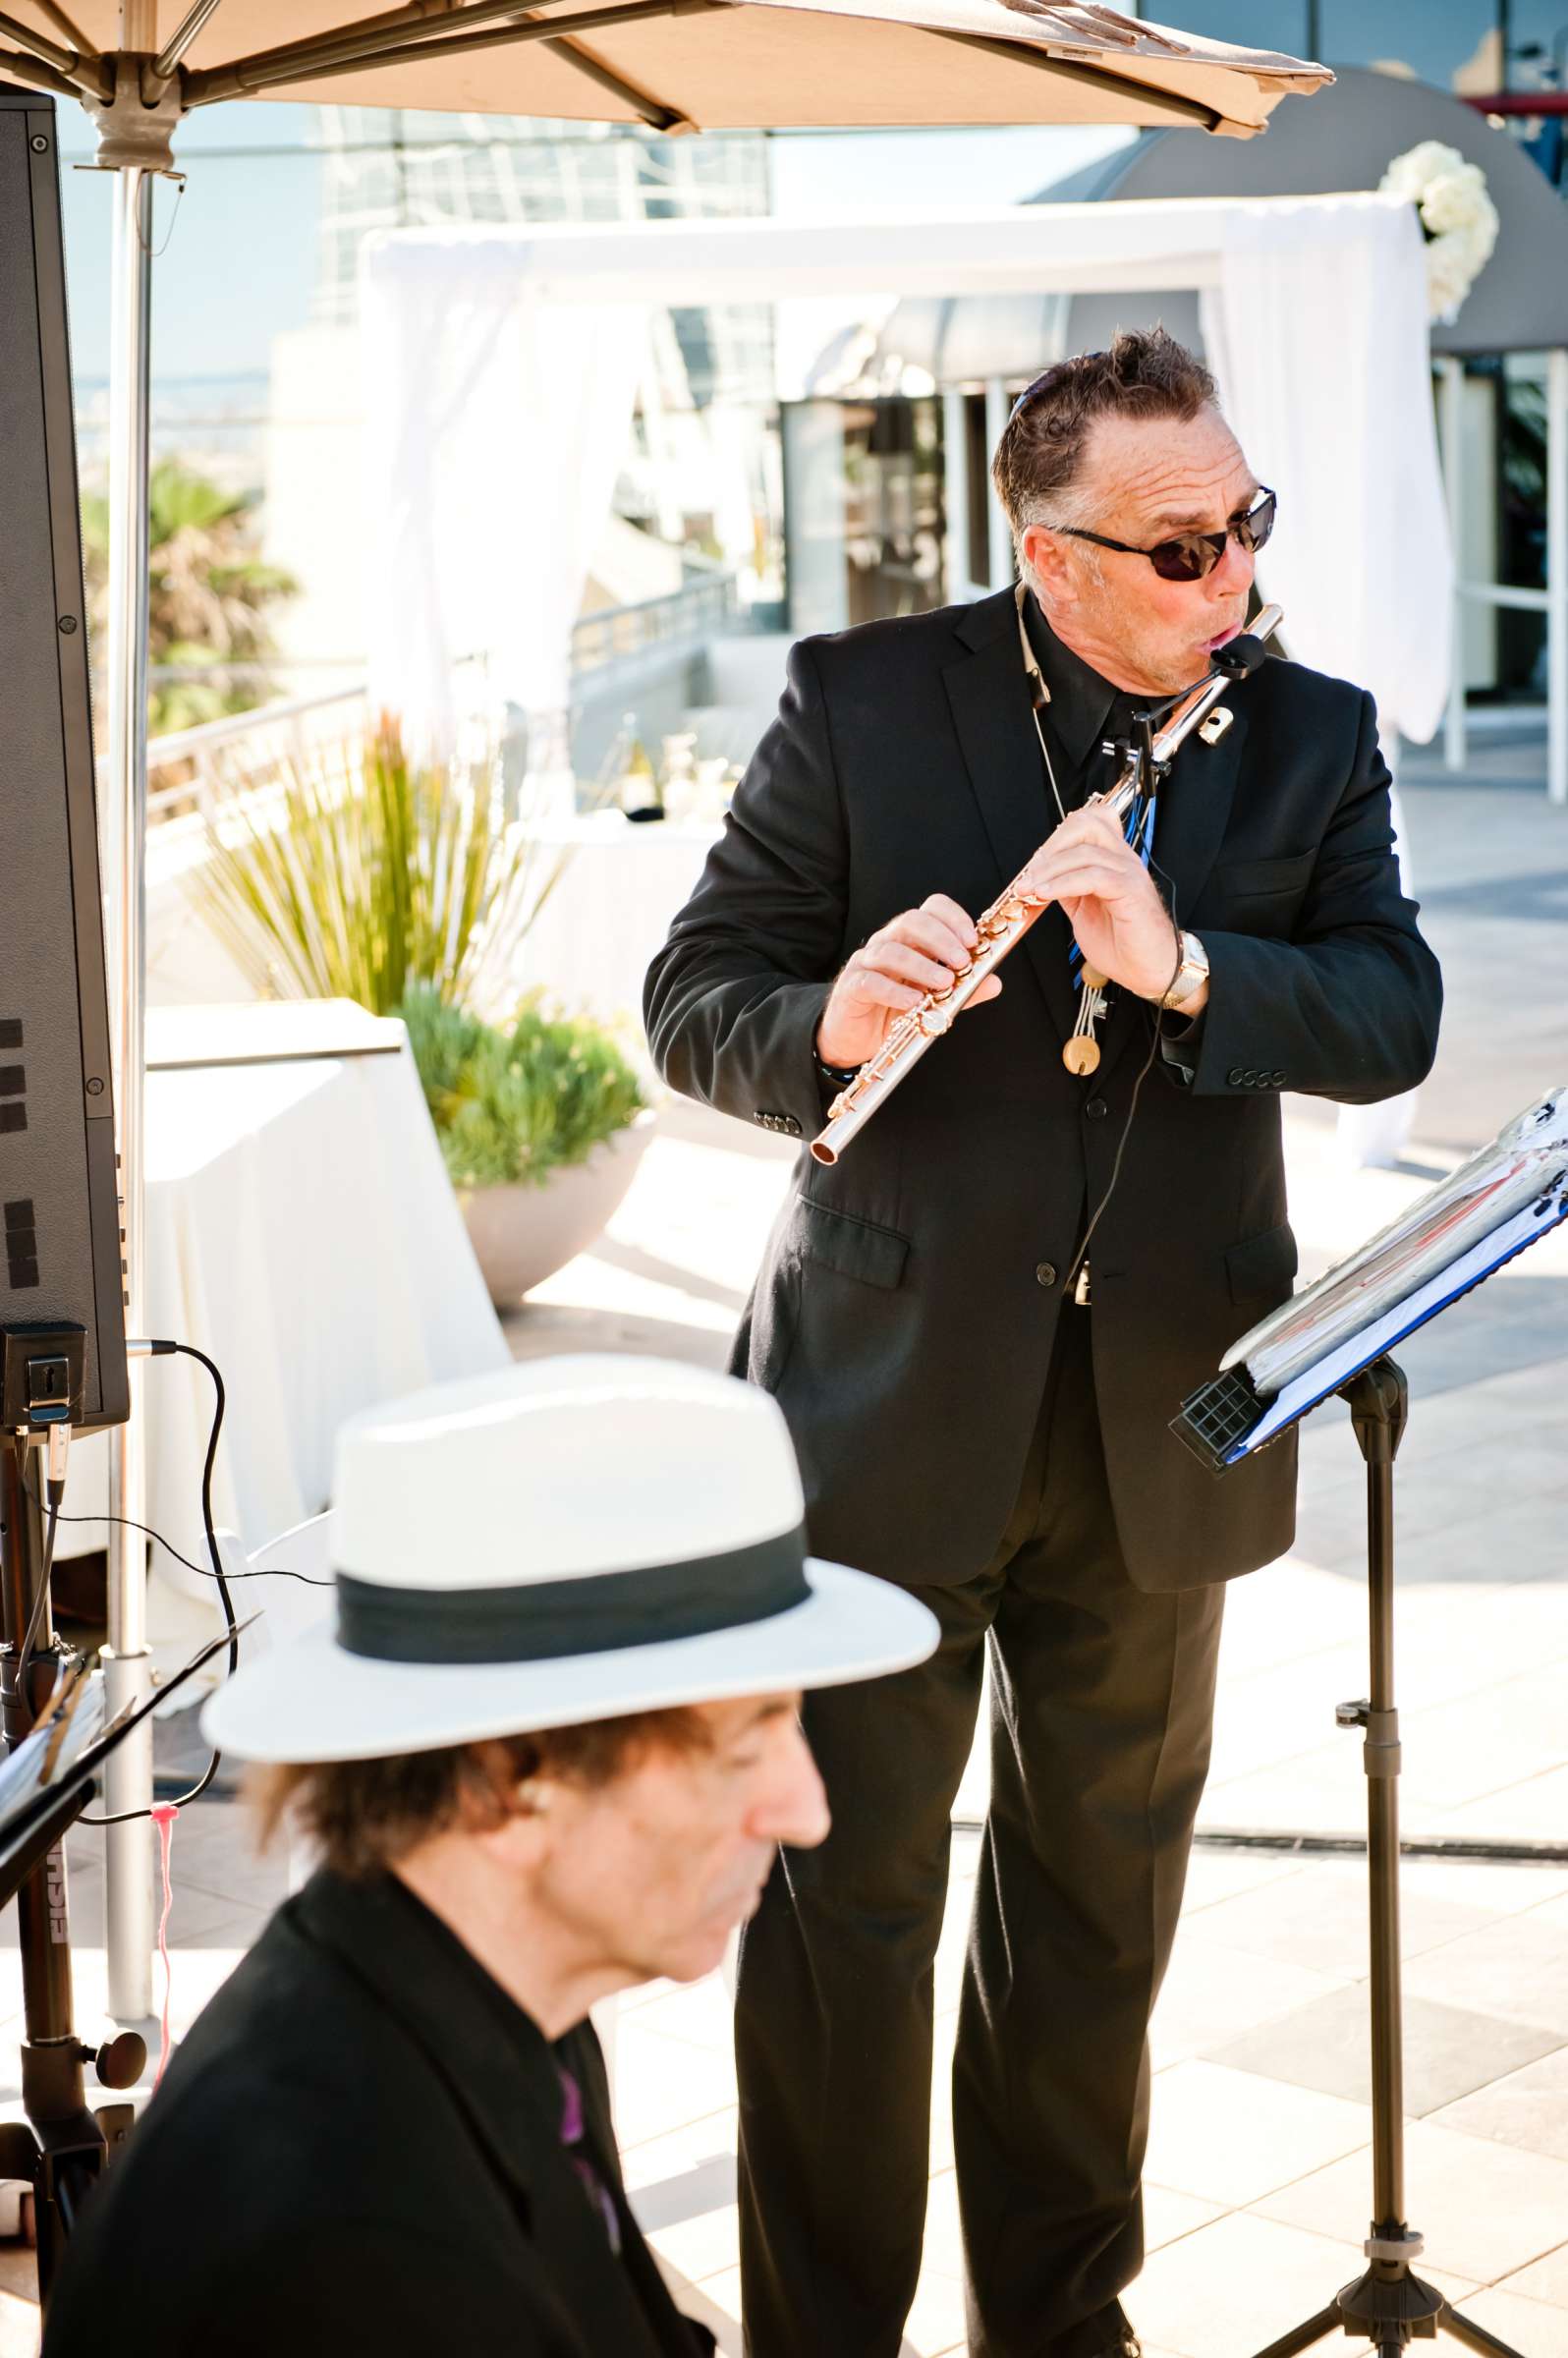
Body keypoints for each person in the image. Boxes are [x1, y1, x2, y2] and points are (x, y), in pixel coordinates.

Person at [644, 329, 1442, 2358]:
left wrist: (1185, 969)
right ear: (1048, 549)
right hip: (878, 1421)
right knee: (847, 1932)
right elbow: (690, 997)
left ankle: (1059, 2330)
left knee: (1092, 1939)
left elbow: (1393, 1014)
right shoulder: (860, 704)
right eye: (1175, 549)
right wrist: (826, 1013)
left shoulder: (1312, 736)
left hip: (1160, 1438)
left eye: (1244, 528)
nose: (1228, 581)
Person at [42, 1354, 937, 2358]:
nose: (808, 1812)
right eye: (744, 1745)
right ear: (508, 1780)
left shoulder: (499, 1997)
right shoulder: (358, 2250)